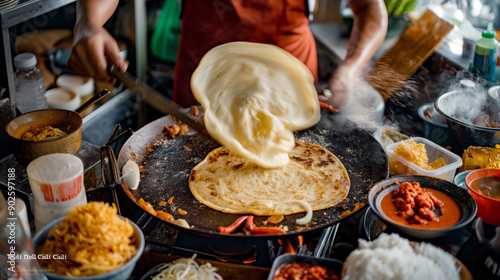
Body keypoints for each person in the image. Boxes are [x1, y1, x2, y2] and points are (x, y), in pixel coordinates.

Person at [69, 0, 387, 108]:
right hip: (204, 87)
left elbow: (371, 9)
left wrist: (349, 69)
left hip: (289, 90)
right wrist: (89, 22)